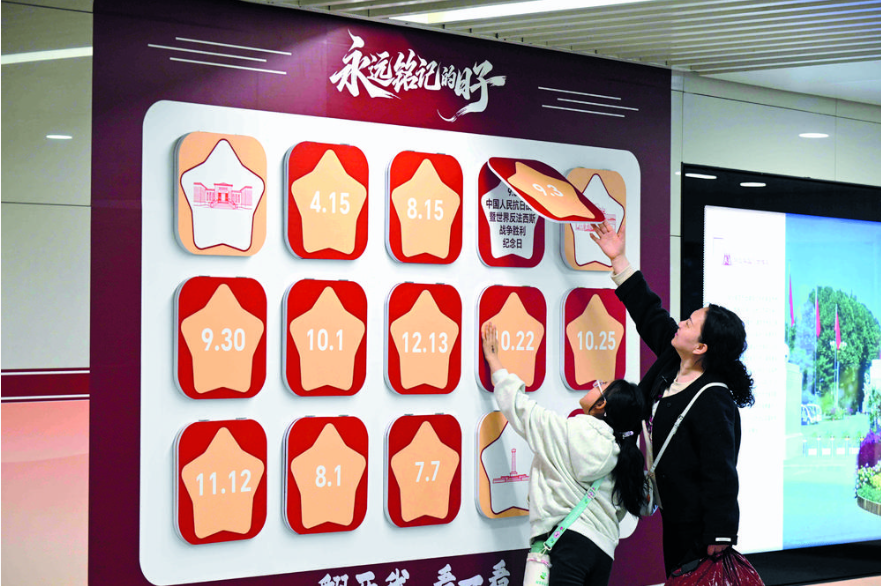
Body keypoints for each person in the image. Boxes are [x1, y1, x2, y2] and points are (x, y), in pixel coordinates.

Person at [590, 219, 756, 577]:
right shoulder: (672, 362)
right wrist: (618, 259)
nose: (680, 323)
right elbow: (648, 312)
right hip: (672, 511)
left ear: (701, 347)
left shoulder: (713, 397)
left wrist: (720, 533)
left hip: (700, 525)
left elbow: (721, 470)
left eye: (690, 323)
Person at [481, 322, 647, 586]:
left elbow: (522, 410)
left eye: (601, 385)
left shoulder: (571, 432)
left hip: (567, 545)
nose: (593, 384)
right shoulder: (623, 454)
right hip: (603, 553)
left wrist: (495, 362)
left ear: (601, 404)